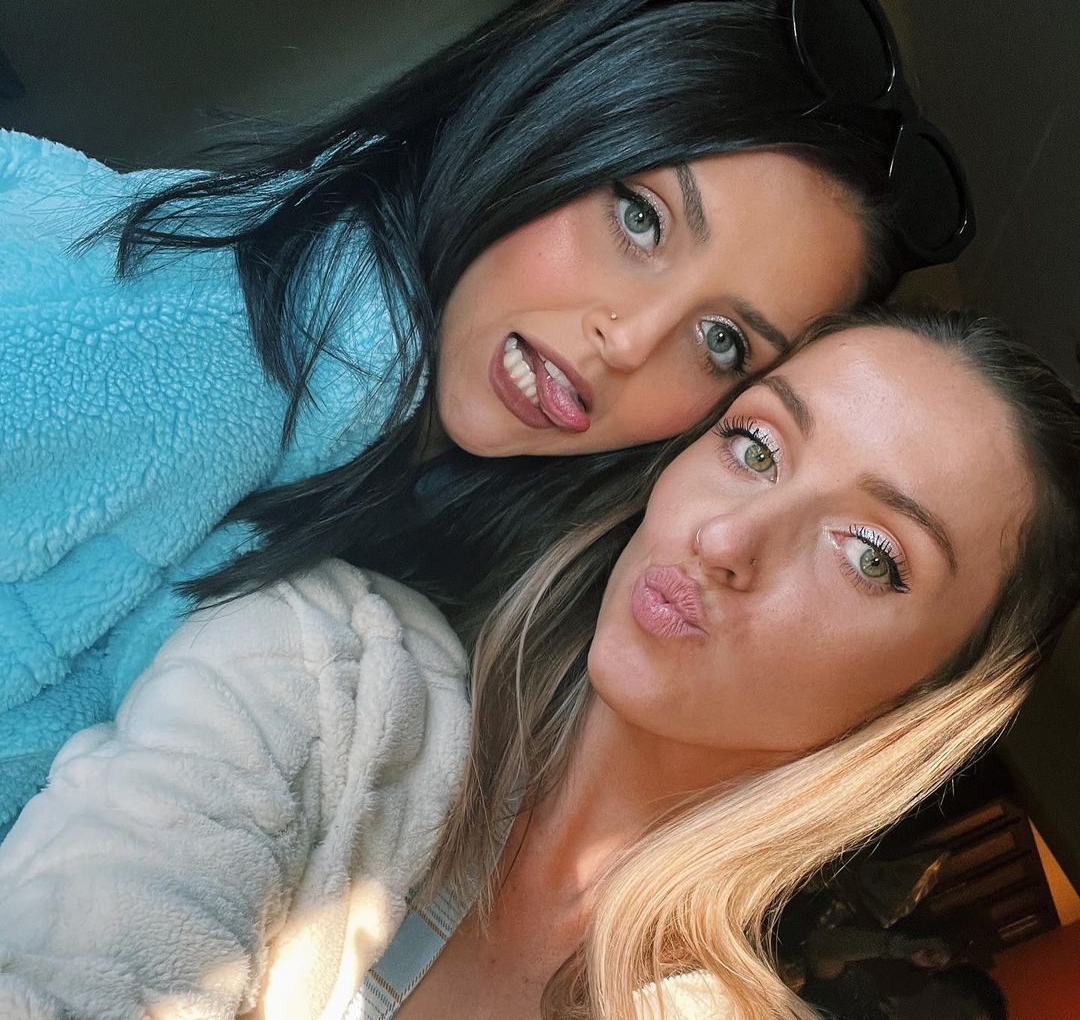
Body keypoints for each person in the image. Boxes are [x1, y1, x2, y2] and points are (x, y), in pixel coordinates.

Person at [0, 0, 974, 836]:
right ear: (546, 120)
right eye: (640, 218)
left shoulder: (418, 487)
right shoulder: (202, 335)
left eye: (722, 340)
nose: (630, 341)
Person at [0, 304, 1074, 1020]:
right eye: (754, 445)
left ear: (924, 708)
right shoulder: (327, 671)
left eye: (871, 553)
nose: (726, 539)